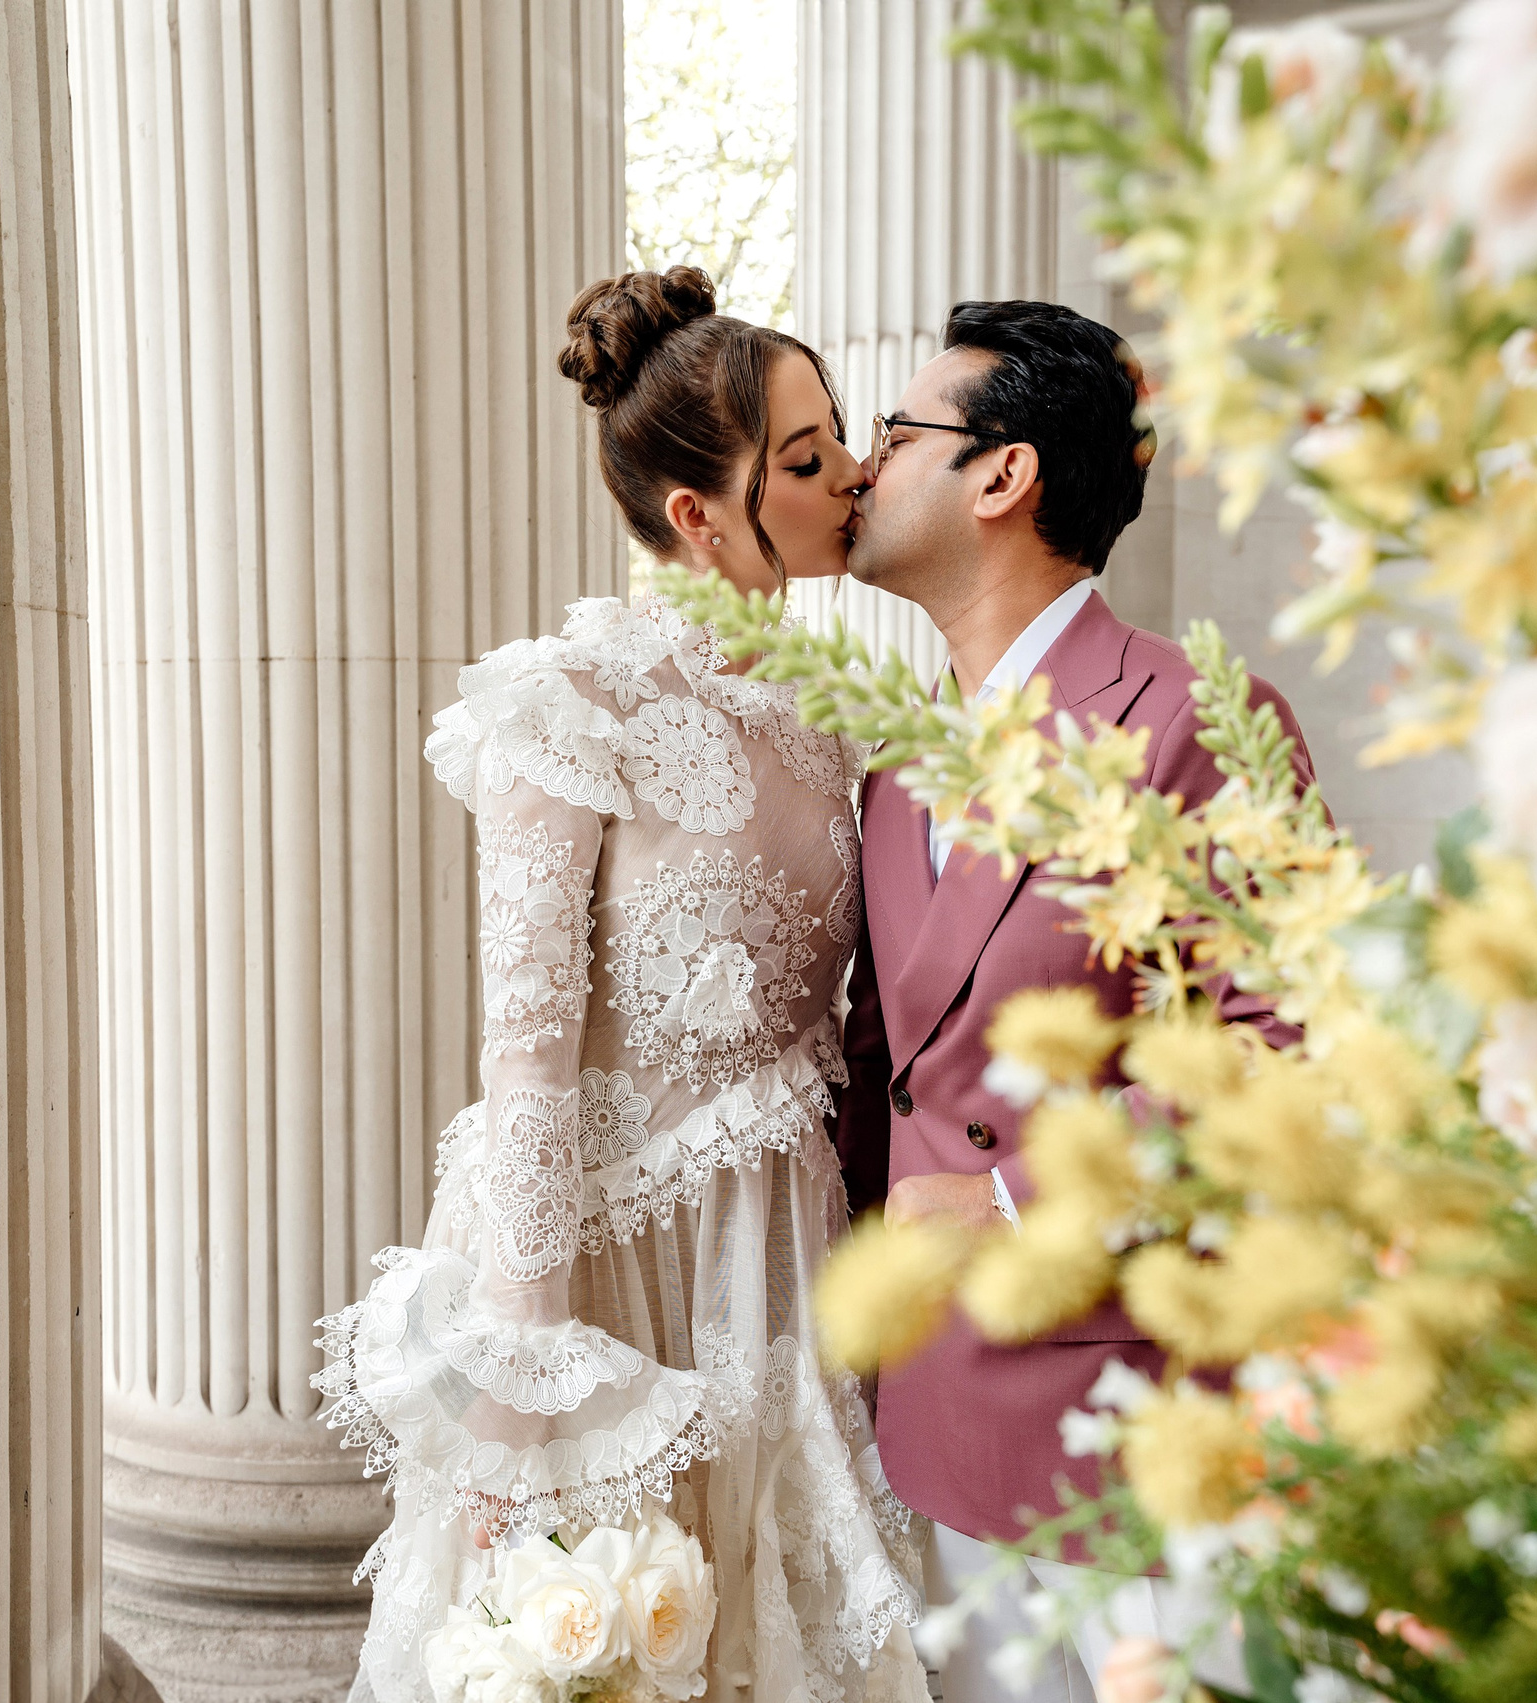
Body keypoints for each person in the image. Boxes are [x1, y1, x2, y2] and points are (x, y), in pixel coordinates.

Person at [314, 266, 930, 1703]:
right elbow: (522, 1061)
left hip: (784, 1265)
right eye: (804, 456)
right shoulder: (567, 704)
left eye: (837, 434)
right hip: (602, 1273)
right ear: (697, 517)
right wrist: (532, 1398)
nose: (854, 472)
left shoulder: (847, 721)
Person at [833, 299, 1315, 1703]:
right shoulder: (891, 764)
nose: (861, 470)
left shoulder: (1193, 717)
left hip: (1124, 1439)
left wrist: (1005, 1209)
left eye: (895, 433)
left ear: (1003, 474)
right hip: (923, 1432)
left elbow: (1284, 1059)